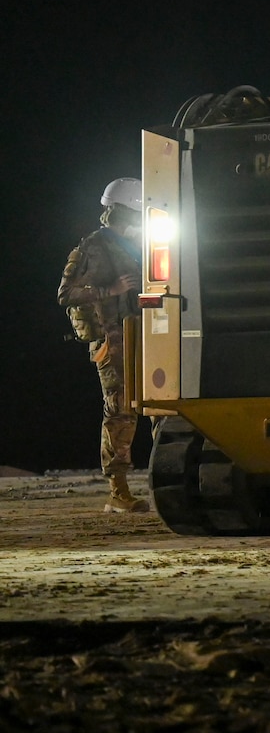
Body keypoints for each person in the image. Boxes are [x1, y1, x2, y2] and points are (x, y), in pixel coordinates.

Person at [58, 179, 149, 512]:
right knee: (119, 411)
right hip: (112, 341)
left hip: (143, 334)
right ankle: (118, 489)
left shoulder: (138, 243)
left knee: (154, 408)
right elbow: (65, 295)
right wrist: (109, 290)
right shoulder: (93, 247)